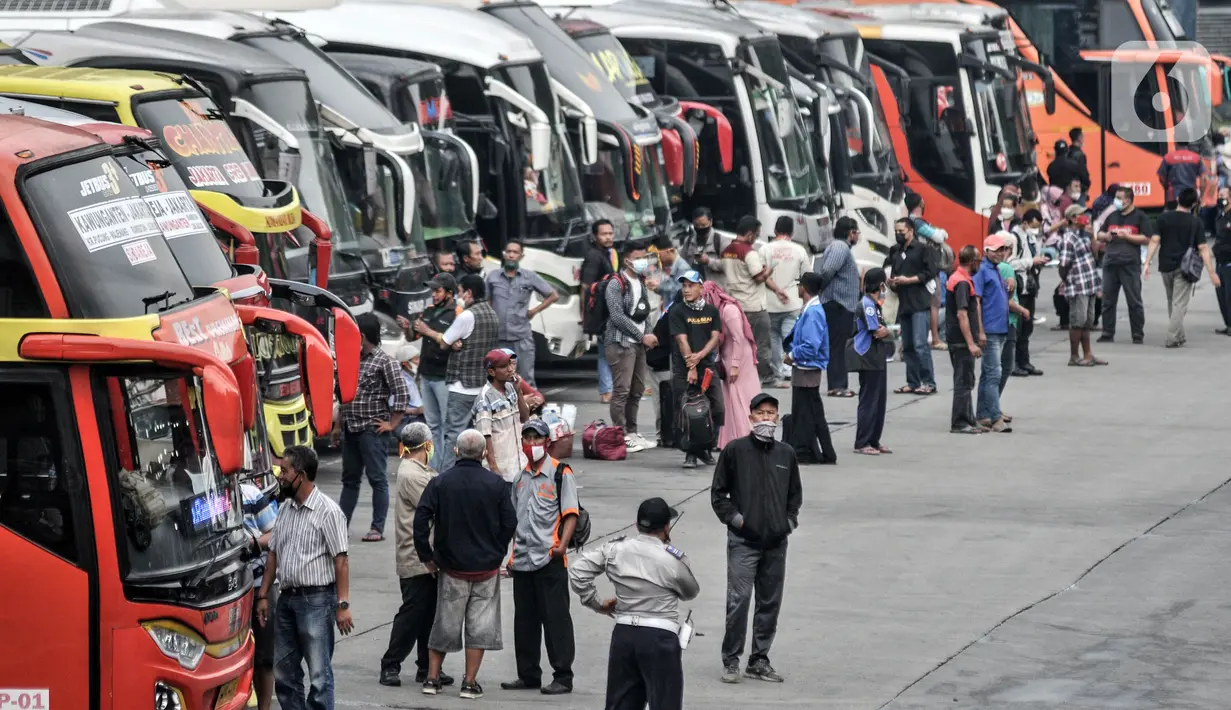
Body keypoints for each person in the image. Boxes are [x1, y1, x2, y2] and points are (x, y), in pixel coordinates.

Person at [414, 429, 518, 699]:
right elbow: (510, 523)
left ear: (456, 452)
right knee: (480, 628)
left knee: (444, 624)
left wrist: (427, 556)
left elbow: (420, 518)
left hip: (450, 567)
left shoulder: (440, 482)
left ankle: (432, 679)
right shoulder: (496, 484)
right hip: (486, 569)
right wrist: (497, 551)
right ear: (484, 453)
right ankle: (470, 683)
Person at [568, 497, 700, 710]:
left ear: (637, 524)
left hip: (624, 634)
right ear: (666, 527)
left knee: (621, 704)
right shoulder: (672, 560)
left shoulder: (614, 549)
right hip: (660, 638)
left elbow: (577, 571)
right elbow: (690, 591)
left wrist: (597, 604)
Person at [711, 393, 801, 685]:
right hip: (743, 543)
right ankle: (731, 660)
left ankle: (759, 660)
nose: (766, 418)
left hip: (776, 543)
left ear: (777, 417)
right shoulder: (734, 451)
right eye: (760, 413)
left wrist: (787, 523)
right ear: (750, 417)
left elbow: (794, 497)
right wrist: (738, 521)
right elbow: (719, 495)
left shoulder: (786, 454)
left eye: (771, 413)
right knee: (739, 601)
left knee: (769, 602)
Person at [256, 446, 353, 710]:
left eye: (285, 470)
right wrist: (263, 595)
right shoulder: (285, 509)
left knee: (319, 676)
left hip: (317, 602)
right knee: (285, 674)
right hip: (286, 600)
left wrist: (343, 605)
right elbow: (273, 554)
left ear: (301, 475)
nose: (280, 475)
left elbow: (341, 561)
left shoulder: (329, 512)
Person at [503, 419, 579, 695]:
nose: (532, 444)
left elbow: (571, 513)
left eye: (537, 439)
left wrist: (562, 547)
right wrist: (512, 557)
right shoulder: (519, 479)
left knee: (556, 619)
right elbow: (515, 522)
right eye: (528, 439)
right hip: (523, 561)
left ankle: (563, 675)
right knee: (524, 621)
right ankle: (528, 674)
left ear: (547, 442)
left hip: (550, 560)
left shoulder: (561, 473)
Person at [380, 423, 454, 688]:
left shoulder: (419, 470)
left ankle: (427, 667)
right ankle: (391, 663)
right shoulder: (413, 474)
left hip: (425, 557)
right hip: (416, 558)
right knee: (412, 614)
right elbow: (440, 502)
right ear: (425, 445)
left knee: (429, 615)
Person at [335, 313, 410, 542]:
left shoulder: (384, 362)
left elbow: (402, 394)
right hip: (351, 428)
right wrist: (338, 426)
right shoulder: (350, 359)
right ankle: (340, 527)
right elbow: (343, 396)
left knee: (377, 479)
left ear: (363, 335)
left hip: (372, 430)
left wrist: (392, 423)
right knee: (350, 480)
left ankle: (377, 528)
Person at [707, 215, 788, 387]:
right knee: (761, 344)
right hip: (754, 306)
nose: (756, 238)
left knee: (738, 342)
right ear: (750, 233)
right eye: (756, 235)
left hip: (735, 305)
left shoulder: (727, 250)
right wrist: (769, 270)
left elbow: (722, 269)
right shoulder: (749, 253)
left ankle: (742, 372)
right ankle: (766, 377)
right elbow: (758, 278)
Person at [436, 274, 500, 471]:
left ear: (469, 293)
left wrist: (454, 342)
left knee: (453, 436)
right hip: (483, 387)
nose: (460, 296)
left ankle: (445, 477)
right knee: (478, 438)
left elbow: (443, 342)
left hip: (462, 387)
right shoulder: (492, 314)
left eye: (461, 292)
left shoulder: (466, 316)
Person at [1145, 188, 1220, 347]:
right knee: (1179, 304)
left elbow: (1154, 241)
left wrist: (1146, 263)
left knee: (1172, 301)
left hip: (1165, 266)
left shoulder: (1163, 218)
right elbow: (1203, 248)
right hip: (1184, 267)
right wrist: (1211, 272)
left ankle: (1179, 335)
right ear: (1194, 204)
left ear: (1178, 198)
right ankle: (1172, 337)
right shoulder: (1196, 222)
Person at [398, 272, 457, 470]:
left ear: (449, 292)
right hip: (427, 375)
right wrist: (407, 327)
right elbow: (413, 335)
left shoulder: (458, 312)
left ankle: (448, 468)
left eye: (438, 291)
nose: (434, 294)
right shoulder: (430, 310)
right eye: (433, 291)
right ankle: (433, 467)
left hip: (445, 377)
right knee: (432, 426)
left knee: (448, 426)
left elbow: (454, 342)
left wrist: (427, 331)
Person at [604, 242, 658, 454]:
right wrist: (641, 336)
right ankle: (620, 435)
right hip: (620, 343)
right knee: (621, 391)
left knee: (636, 391)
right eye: (638, 257)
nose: (643, 261)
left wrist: (649, 333)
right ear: (627, 260)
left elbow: (643, 313)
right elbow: (617, 316)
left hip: (638, 344)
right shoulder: (616, 284)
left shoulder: (641, 282)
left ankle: (633, 432)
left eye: (644, 256)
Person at [667, 270, 723, 468]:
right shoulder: (677, 311)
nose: (686, 290)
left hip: (707, 367)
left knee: (716, 408)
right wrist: (692, 366)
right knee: (687, 413)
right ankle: (691, 453)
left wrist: (700, 357)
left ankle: (706, 448)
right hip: (685, 369)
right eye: (684, 286)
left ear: (701, 287)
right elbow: (682, 340)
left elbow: (715, 337)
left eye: (691, 285)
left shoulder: (711, 311)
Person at [486, 240, 557, 386]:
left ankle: (530, 409)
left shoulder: (529, 277)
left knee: (525, 380)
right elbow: (486, 301)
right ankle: (506, 409)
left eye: (515, 252)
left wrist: (535, 311)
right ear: (504, 255)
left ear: (521, 256)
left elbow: (553, 295)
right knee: (500, 380)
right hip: (499, 338)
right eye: (509, 252)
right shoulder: (493, 277)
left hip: (521, 337)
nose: (511, 255)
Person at [783, 273, 836, 464]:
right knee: (811, 410)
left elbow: (811, 345)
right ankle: (824, 452)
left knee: (805, 411)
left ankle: (805, 450)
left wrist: (792, 355)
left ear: (803, 288)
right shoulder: (811, 309)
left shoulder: (812, 312)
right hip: (805, 367)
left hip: (807, 368)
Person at [706, 280, 761, 450]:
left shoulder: (729, 310)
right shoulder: (719, 310)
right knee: (730, 399)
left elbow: (739, 338)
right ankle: (729, 440)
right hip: (727, 356)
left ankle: (746, 436)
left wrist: (735, 365)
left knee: (740, 397)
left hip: (739, 357)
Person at [886, 218, 938, 395]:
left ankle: (929, 382)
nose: (898, 234)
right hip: (904, 302)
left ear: (910, 231)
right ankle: (913, 381)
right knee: (907, 345)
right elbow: (894, 272)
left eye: (901, 231)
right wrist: (892, 282)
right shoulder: (896, 251)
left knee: (920, 344)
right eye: (896, 231)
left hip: (919, 302)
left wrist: (910, 280)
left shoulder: (923, 249)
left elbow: (931, 272)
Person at [1097, 186, 1153, 344]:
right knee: (1108, 300)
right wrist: (1106, 235)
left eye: (1119, 198)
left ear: (1128, 200)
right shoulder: (1112, 216)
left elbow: (1147, 238)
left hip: (1130, 263)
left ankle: (1137, 334)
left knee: (1134, 300)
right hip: (1110, 263)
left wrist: (1128, 236)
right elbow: (1099, 234)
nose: (1116, 201)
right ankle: (1107, 333)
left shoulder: (1140, 217)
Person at [242, 481, 279, 710]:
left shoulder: (250, 495)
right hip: (223, 591)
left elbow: (274, 536)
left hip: (259, 587)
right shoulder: (205, 500)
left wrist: (252, 543)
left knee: (264, 657)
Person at [815, 215, 861, 398]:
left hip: (841, 304)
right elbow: (827, 271)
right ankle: (837, 386)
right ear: (850, 233)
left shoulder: (840, 248)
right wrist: (820, 290)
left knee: (838, 345)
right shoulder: (840, 247)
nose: (857, 236)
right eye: (856, 233)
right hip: (837, 305)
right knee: (837, 346)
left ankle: (838, 384)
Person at [761, 216, 810, 384]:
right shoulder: (799, 250)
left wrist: (776, 289)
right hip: (793, 302)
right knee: (790, 336)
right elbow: (806, 277)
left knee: (773, 338)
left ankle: (778, 370)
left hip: (770, 303)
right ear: (792, 231)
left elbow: (760, 276)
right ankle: (790, 369)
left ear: (775, 231)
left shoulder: (765, 249)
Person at [1058, 204, 1108, 367]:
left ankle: (1088, 354)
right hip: (1078, 285)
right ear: (1073, 218)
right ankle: (1074, 356)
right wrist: (1066, 282)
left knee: (1087, 321)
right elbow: (1063, 265)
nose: (1085, 217)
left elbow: (1095, 255)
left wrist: (1092, 237)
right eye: (1081, 215)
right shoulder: (1068, 239)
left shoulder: (1084, 234)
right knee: (1078, 321)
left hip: (1090, 283)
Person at [972, 234, 1012, 433]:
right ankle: (995, 416)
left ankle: (982, 414)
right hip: (990, 330)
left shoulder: (996, 270)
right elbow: (976, 302)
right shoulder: (982, 271)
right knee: (994, 374)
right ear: (987, 251)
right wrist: (980, 330)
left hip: (1000, 328)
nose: (1000, 253)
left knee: (988, 374)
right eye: (996, 250)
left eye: (1002, 249)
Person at [945, 246, 985, 434]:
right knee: (963, 381)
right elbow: (962, 315)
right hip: (960, 341)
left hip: (959, 339)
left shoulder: (959, 278)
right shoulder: (961, 282)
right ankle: (960, 422)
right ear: (972, 262)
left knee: (967, 379)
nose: (980, 264)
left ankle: (969, 418)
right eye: (979, 260)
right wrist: (970, 343)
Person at [851, 268, 892, 455]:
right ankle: (862, 442)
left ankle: (874, 440)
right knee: (869, 399)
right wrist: (887, 331)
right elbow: (877, 331)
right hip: (868, 356)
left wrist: (886, 330)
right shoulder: (867, 304)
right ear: (880, 284)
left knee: (879, 400)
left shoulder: (875, 304)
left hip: (877, 357)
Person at [474, 348, 529, 481]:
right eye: (504, 366)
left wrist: (519, 391)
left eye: (510, 364)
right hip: (501, 470)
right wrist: (494, 468)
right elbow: (485, 435)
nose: (510, 369)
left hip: (519, 465)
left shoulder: (511, 388)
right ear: (492, 372)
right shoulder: (485, 397)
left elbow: (524, 417)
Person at [582, 219, 620, 403]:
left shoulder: (607, 254)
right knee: (606, 353)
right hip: (601, 314)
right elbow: (585, 287)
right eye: (604, 234)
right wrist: (585, 316)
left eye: (610, 233)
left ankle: (610, 390)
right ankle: (607, 392)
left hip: (610, 312)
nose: (608, 237)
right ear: (595, 236)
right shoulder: (594, 256)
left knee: (611, 351)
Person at [994, 235, 1033, 412]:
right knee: (1004, 366)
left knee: (998, 367)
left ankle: (992, 406)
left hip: (1000, 321)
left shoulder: (993, 268)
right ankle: (992, 407)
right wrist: (1021, 310)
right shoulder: (1006, 268)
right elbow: (1006, 299)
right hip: (1008, 321)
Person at [1008, 210, 1048, 376]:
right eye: (1034, 226)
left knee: (1027, 327)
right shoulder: (1014, 238)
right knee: (1017, 328)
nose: (1036, 230)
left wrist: (1038, 263)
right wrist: (1031, 262)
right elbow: (1010, 263)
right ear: (1025, 222)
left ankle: (1025, 361)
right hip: (1019, 288)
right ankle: (1013, 363)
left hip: (1030, 287)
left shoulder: (1031, 238)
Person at [649, 234, 692, 311]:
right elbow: (668, 292)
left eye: (659, 255)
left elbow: (679, 292)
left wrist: (659, 285)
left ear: (668, 252)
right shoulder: (672, 267)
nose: (659, 258)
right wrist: (656, 288)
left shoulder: (682, 268)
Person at [1157, 141, 1204, 208]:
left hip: (1173, 196)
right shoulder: (1196, 158)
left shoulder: (1168, 157)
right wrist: (1201, 195)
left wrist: (1166, 187)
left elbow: (1161, 176)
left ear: (1175, 142)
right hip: (1191, 196)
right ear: (1188, 142)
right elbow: (1204, 177)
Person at [1213, 186, 1231, 334]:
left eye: (1223, 196)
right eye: (1219, 195)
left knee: (1230, 296)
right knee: (1222, 295)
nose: (1220, 198)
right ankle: (1228, 324)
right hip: (1220, 261)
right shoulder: (1220, 216)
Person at [686, 206, 720, 282]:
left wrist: (709, 261)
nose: (700, 228)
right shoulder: (689, 241)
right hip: (696, 288)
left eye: (703, 225)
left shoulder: (719, 240)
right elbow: (682, 261)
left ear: (710, 222)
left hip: (714, 289)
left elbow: (729, 265)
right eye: (697, 225)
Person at [1066, 127, 1090, 195]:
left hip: (1068, 188)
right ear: (1079, 138)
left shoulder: (1067, 152)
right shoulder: (1080, 155)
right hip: (1078, 189)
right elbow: (1083, 173)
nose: (1083, 139)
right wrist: (1086, 187)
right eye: (1082, 136)